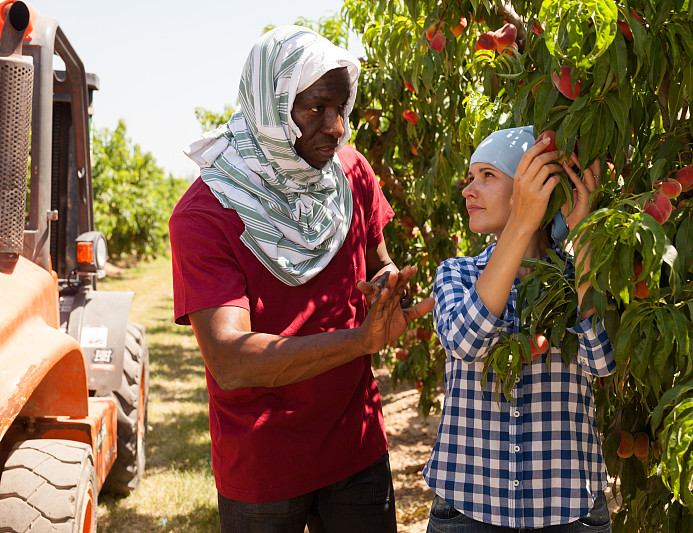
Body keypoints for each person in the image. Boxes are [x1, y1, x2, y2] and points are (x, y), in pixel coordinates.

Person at [169, 26, 433, 533]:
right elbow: (231, 361)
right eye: (316, 108)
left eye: (341, 108)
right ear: (271, 104)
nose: (336, 127)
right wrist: (360, 340)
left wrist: (388, 289)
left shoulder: (350, 175)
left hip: (354, 444)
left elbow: (380, 266)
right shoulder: (207, 214)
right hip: (264, 461)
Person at [423, 127, 616, 532]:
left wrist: (582, 237)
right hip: (469, 508)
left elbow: (602, 361)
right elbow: (464, 340)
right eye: (471, 177)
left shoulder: (578, 276)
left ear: (537, 188)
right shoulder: (457, 274)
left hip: (567, 510)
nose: (468, 190)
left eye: (487, 175)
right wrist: (522, 224)